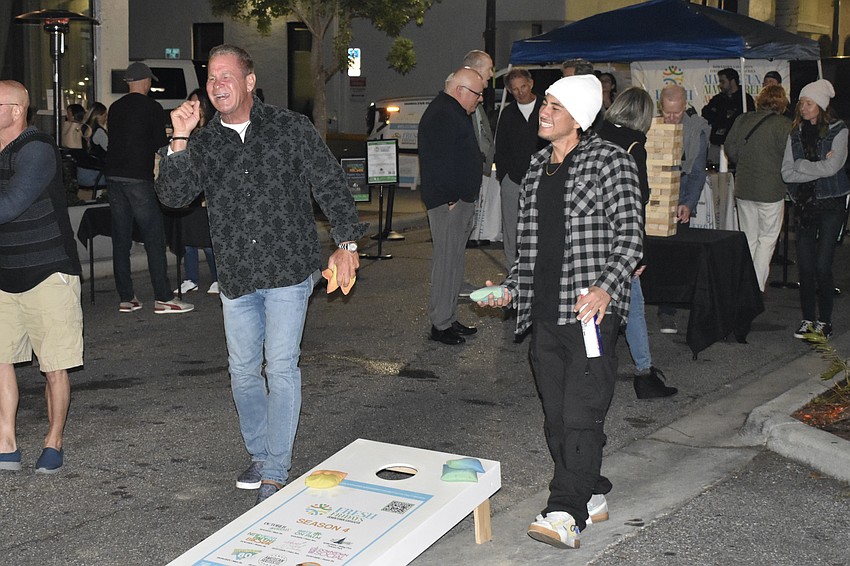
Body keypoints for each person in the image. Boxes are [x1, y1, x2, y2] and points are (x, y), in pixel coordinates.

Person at [155, 44, 366, 505]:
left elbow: (330, 182)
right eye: (211, 77)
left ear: (250, 82)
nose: (217, 85)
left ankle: (275, 468)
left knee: (281, 367)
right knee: (243, 372)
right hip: (236, 274)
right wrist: (179, 137)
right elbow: (173, 196)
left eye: (227, 76)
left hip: (289, 269)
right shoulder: (205, 141)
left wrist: (347, 244)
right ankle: (260, 453)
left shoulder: (290, 127)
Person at [477, 74, 643, 549]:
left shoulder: (609, 162)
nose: (543, 112)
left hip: (590, 313)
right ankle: (590, 490)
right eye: (545, 103)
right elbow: (528, 250)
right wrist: (509, 290)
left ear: (580, 117)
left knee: (579, 413)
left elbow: (631, 238)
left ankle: (566, 511)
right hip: (544, 311)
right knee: (556, 416)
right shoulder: (534, 168)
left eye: (553, 105)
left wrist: (604, 289)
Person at [0, 80, 83, 475]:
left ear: (16, 110)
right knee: (0, 361)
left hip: (48, 273)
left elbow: (10, 205)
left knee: (54, 365)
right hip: (4, 274)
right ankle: (6, 441)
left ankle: (53, 441)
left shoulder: (37, 150)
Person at [596, 87, 677, 399]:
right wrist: (639, 254)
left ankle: (590, 365)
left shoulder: (595, 134)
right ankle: (644, 372)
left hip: (592, 234)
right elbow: (637, 200)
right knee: (634, 306)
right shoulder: (633, 146)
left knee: (596, 303)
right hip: (619, 237)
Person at [106, 62, 193, 314]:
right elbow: (159, 144)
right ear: (146, 81)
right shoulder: (152, 107)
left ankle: (127, 298)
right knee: (154, 238)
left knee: (121, 239)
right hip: (138, 178)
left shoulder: (115, 107)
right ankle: (163, 297)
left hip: (113, 176)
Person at [418, 68, 486, 345]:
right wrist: (450, 198)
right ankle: (440, 324)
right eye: (477, 94)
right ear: (461, 91)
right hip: (449, 203)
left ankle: (448, 317)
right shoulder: (443, 115)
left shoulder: (452, 112)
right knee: (446, 264)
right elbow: (440, 162)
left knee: (454, 263)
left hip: (456, 201)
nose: (480, 99)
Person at [781, 79, 850, 339]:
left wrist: (802, 165)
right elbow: (787, 172)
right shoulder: (795, 133)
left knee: (823, 265)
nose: (803, 107)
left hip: (832, 202)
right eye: (801, 103)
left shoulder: (838, 130)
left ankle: (825, 320)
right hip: (805, 205)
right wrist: (814, 165)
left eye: (809, 103)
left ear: (821, 105)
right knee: (806, 266)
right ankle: (808, 319)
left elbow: (833, 169)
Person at [724, 85, 792, 292]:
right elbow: (789, 158)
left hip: (744, 187)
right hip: (771, 190)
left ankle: (743, 283)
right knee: (767, 240)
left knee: (749, 238)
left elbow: (730, 148)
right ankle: (755, 288)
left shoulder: (743, 119)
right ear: (782, 103)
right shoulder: (786, 126)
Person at [657, 84, 710, 334]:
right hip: (654, 198)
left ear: (684, 107)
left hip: (681, 196)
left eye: (676, 113)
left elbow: (698, 172)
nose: (671, 118)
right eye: (667, 113)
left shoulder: (697, 129)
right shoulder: (653, 125)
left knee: (674, 258)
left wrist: (688, 204)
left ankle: (668, 310)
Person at [494, 68, 546, 271]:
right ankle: (512, 271)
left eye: (523, 87)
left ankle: (539, 270)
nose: (520, 92)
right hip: (513, 180)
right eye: (515, 89)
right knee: (511, 228)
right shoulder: (507, 114)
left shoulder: (546, 107)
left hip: (543, 180)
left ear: (531, 84)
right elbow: (502, 147)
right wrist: (505, 175)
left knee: (541, 226)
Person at [171, 88, 218, 296]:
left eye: (197, 104)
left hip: (207, 196)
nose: (193, 108)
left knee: (207, 242)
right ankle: (191, 278)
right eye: (190, 103)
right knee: (188, 240)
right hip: (191, 195)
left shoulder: (213, 131)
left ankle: (218, 278)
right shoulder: (187, 130)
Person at [462, 49, 496, 249]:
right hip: (464, 176)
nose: (491, 74)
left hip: (475, 171)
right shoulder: (462, 99)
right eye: (489, 69)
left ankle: (455, 280)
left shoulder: (477, 99)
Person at [701, 68, 755, 162]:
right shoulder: (718, 99)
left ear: (732, 81)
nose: (720, 85)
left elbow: (749, 119)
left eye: (723, 82)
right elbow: (706, 113)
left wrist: (722, 117)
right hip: (717, 144)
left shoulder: (745, 99)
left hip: (736, 146)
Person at [76, 102, 108, 191]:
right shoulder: (99, 132)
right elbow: (110, 150)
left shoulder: (82, 128)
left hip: (81, 172)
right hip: (96, 174)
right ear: (98, 116)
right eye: (105, 115)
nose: (106, 119)